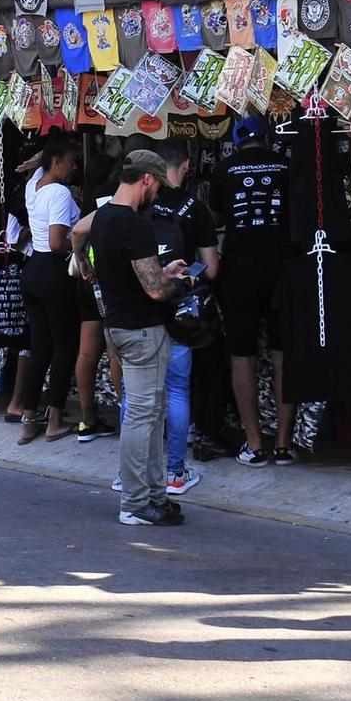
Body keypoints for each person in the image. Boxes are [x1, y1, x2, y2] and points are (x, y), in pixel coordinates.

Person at [85, 149, 194, 527]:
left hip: (119, 325)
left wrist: (162, 271)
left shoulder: (102, 219)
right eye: (158, 185)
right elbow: (155, 291)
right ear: (146, 179)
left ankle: (153, 496)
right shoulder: (134, 224)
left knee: (149, 412)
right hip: (142, 329)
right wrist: (178, 281)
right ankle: (135, 502)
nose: (159, 194)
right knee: (142, 416)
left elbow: (80, 239)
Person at [211, 118, 294, 467]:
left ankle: (255, 443)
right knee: (282, 354)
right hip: (283, 268)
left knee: (241, 355)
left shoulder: (223, 169)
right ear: (267, 139)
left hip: (238, 269)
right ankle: (285, 445)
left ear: (238, 141)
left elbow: (217, 217)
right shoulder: (288, 166)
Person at [150, 141, 217, 493]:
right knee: (177, 390)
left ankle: (132, 473)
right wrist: (184, 277)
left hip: (140, 312)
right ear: (186, 166)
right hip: (179, 314)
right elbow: (212, 267)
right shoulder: (197, 211)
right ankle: (175, 473)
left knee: (138, 397)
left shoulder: (139, 205)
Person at [12, 133, 83, 446]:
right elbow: (57, 243)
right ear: (56, 162)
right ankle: (54, 418)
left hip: (33, 272)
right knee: (64, 345)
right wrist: (79, 246)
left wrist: (36, 160)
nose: (74, 167)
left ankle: (29, 418)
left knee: (39, 347)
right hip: (54, 274)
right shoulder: (59, 192)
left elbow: (39, 166)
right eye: (70, 161)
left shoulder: (34, 186)